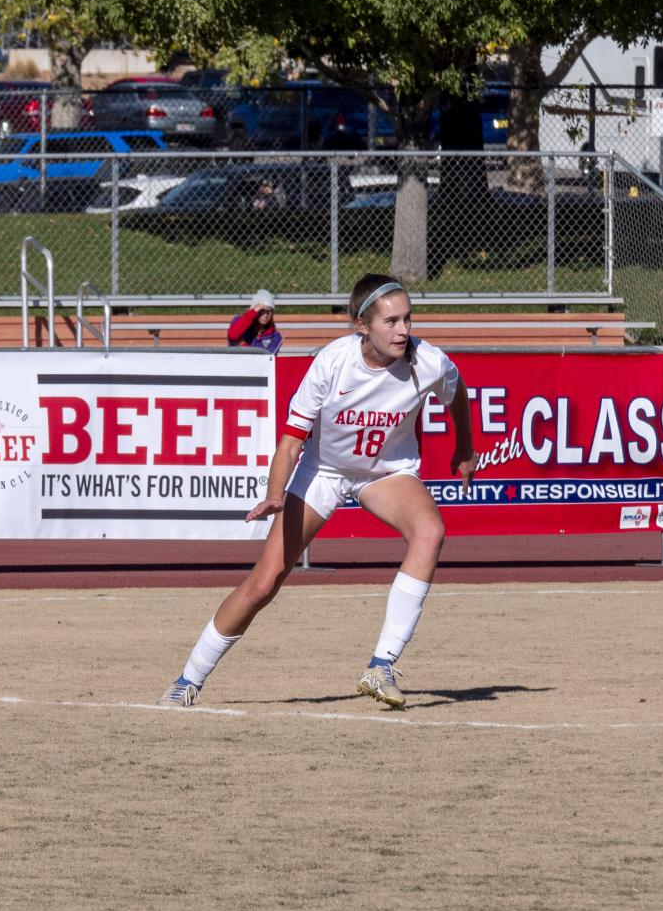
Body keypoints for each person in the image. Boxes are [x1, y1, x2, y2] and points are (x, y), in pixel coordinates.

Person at [162, 272, 476, 711]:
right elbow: (291, 441)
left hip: (384, 473)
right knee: (265, 582)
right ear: (361, 325)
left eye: (408, 319)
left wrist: (465, 445)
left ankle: (381, 664)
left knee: (430, 531)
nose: (404, 330)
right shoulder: (332, 362)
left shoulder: (427, 360)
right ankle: (186, 681)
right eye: (391, 321)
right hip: (323, 471)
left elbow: (456, 390)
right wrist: (276, 494)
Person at [226, 289, 283, 354]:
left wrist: (243, 345)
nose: (265, 315)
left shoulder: (275, 336)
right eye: (261, 311)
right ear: (254, 310)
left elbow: (268, 359)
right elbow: (232, 335)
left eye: (268, 312)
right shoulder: (239, 321)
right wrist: (254, 310)